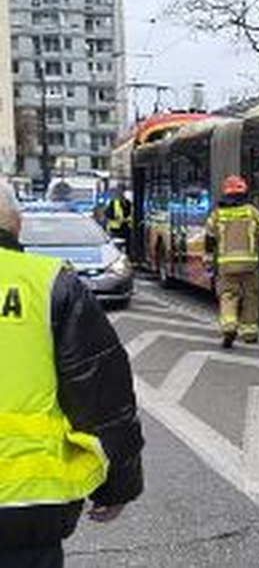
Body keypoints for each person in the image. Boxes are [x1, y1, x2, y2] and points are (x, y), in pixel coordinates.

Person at [0, 180, 144, 568]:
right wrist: (119, 484)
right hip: (28, 501)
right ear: (16, 224)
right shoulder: (49, 283)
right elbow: (102, 396)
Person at [204, 175, 259, 349]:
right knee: (251, 296)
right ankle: (250, 332)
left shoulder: (217, 214)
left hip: (226, 265)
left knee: (228, 295)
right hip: (250, 263)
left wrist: (209, 260)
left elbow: (209, 239)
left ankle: (229, 326)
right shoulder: (252, 212)